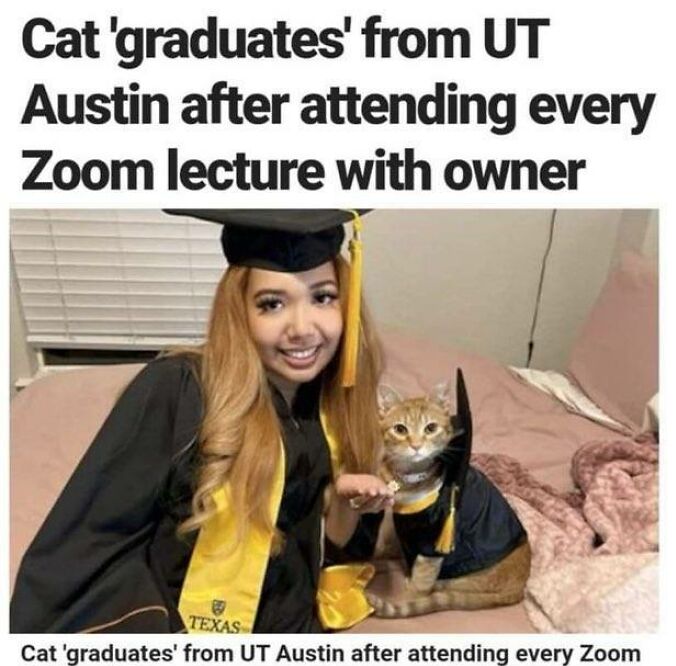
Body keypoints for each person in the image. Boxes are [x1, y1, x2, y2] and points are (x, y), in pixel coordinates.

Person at [10, 209, 393, 634]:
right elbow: (90, 539)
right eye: (271, 304)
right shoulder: (181, 388)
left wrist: (339, 505)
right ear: (240, 312)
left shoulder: (335, 405)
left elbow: (331, 555)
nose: (302, 329)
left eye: (322, 297)